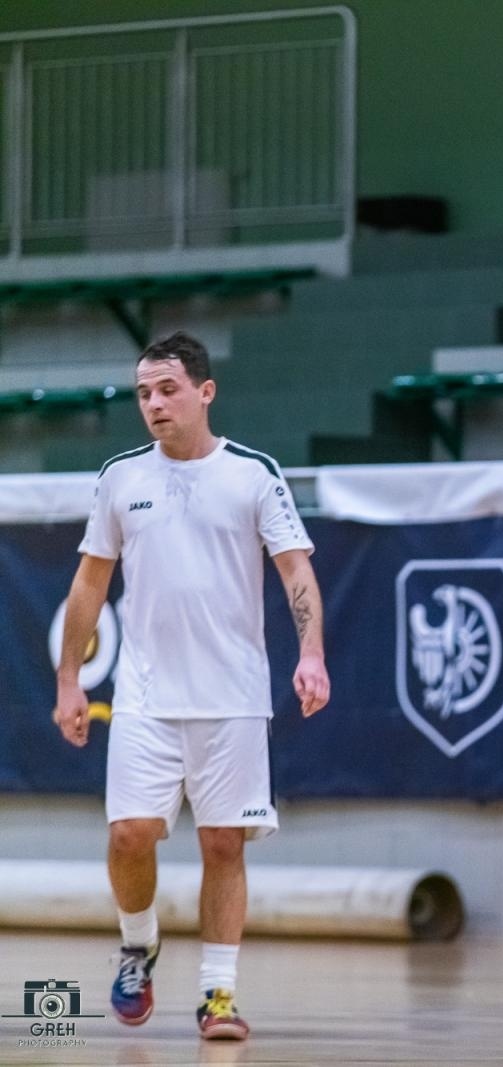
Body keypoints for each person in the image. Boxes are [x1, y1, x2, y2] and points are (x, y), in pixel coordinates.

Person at [52, 331, 330, 1042]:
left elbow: (296, 569)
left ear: (205, 392)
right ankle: (138, 945)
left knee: (223, 846)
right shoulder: (120, 478)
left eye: (167, 389)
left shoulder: (253, 474)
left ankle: (218, 996)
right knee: (129, 834)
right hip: (145, 697)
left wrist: (311, 653)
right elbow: (89, 583)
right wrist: (69, 679)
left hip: (233, 698)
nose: (154, 403)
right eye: (144, 392)